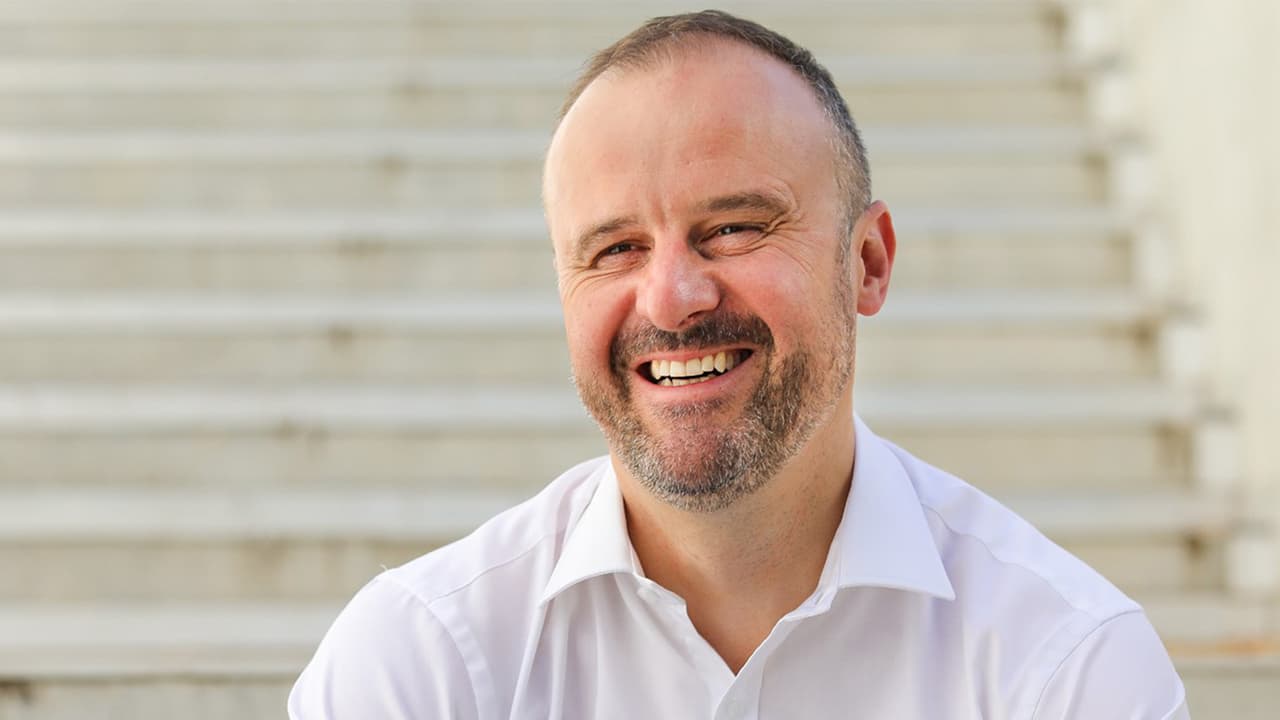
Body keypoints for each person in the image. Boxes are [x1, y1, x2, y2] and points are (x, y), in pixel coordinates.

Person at [289, 10, 1189, 718]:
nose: (671, 299)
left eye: (734, 227)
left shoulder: (1064, 666)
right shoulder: (422, 663)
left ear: (868, 262)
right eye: (615, 249)